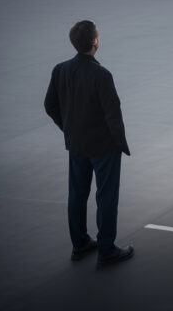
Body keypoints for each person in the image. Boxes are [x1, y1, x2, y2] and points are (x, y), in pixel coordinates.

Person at [44, 20, 134, 266]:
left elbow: (49, 105)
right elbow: (113, 114)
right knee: (106, 197)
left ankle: (80, 243)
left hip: (76, 145)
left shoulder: (60, 69)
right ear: (95, 42)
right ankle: (107, 249)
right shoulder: (101, 75)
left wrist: (68, 129)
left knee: (77, 194)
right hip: (104, 147)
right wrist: (120, 144)